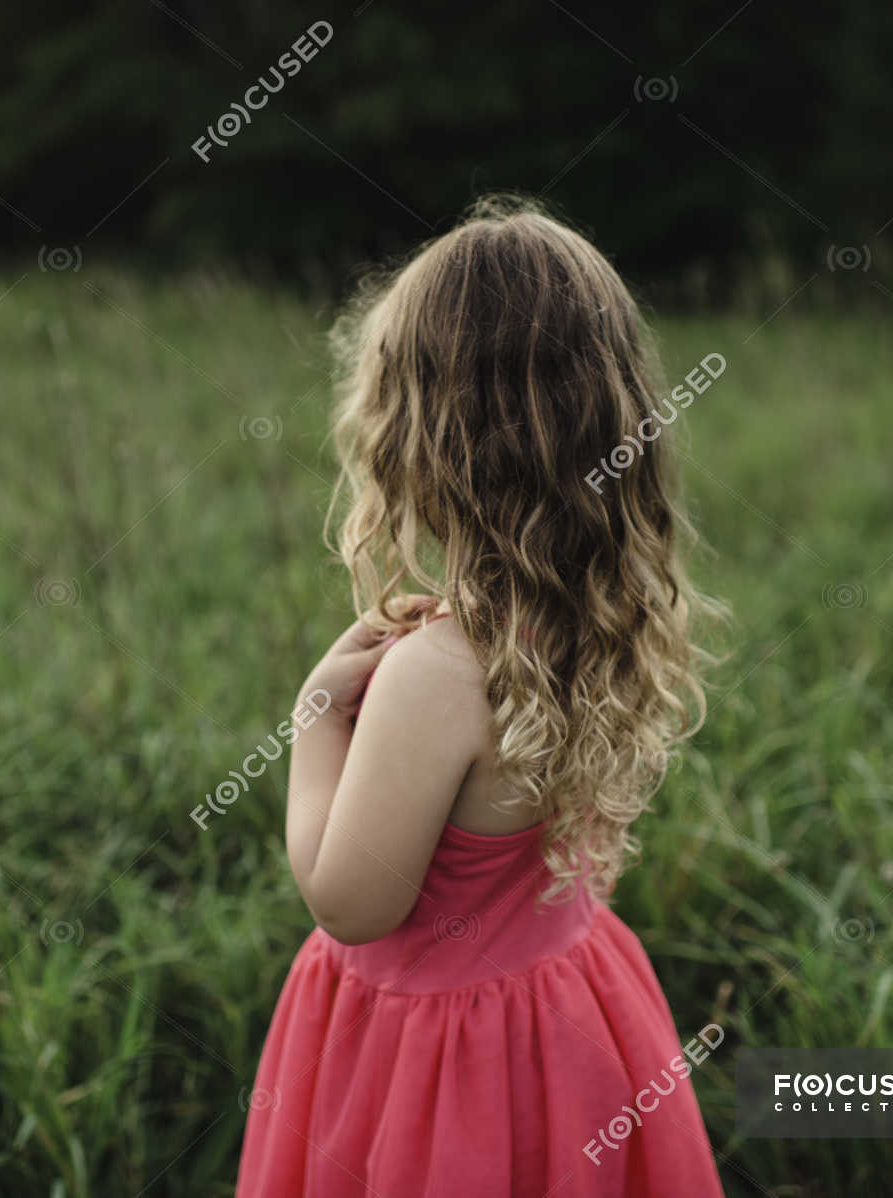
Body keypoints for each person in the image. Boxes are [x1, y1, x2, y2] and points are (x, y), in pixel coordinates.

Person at [237, 197, 726, 1196]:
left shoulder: (436, 674)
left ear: (417, 433)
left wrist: (318, 720)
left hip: (440, 1065)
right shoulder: (596, 611)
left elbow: (352, 903)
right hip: (570, 1023)